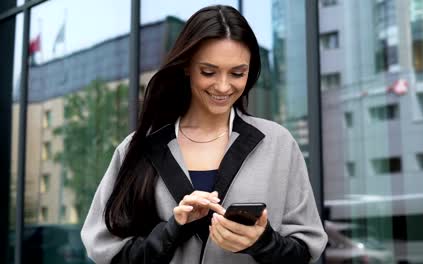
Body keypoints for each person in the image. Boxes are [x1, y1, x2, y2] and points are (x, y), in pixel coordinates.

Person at [81, 4, 327, 264]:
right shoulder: (138, 148)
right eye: (208, 72)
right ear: (187, 66)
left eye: (237, 73)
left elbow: (305, 250)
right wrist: (171, 230)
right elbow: (109, 253)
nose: (223, 86)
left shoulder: (278, 144)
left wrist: (263, 242)